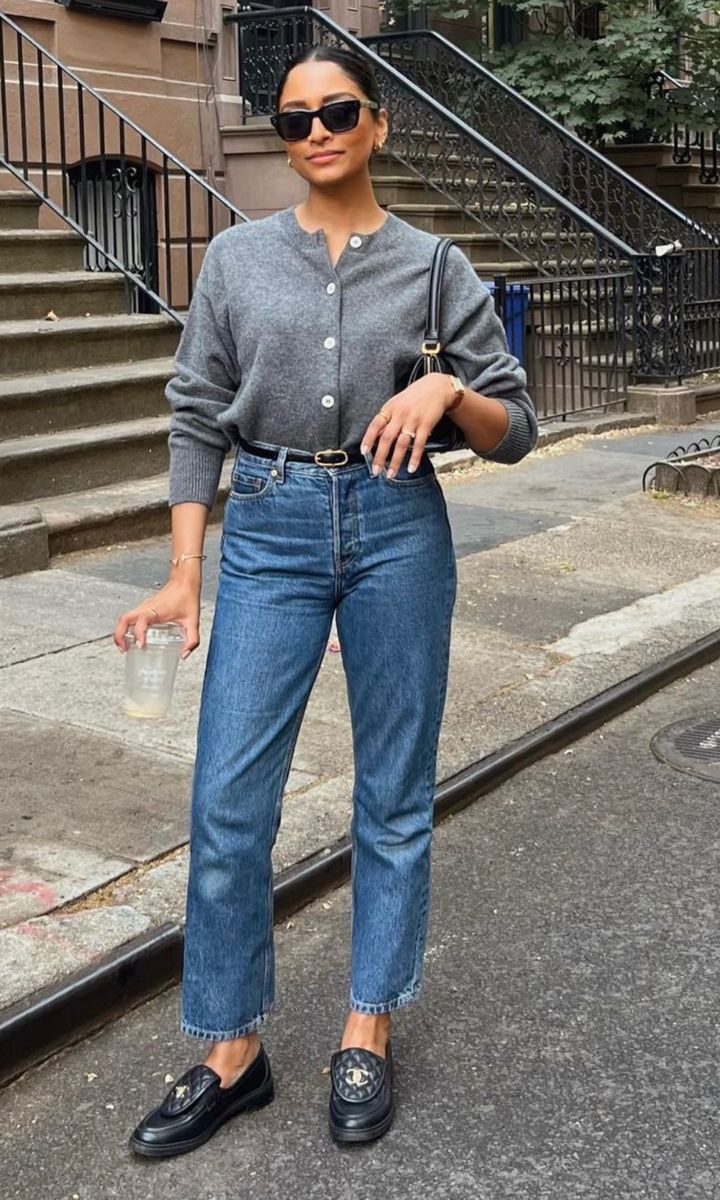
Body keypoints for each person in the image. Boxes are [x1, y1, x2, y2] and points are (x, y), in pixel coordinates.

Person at [114, 42, 538, 1157]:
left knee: (393, 795)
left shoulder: (436, 266)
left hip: (400, 527)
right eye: (295, 117)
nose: (316, 132)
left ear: (377, 123)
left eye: (338, 111)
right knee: (226, 807)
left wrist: (449, 384)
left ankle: (367, 1027)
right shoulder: (237, 262)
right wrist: (180, 570)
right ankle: (231, 1053)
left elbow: (517, 427)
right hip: (268, 523)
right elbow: (198, 410)